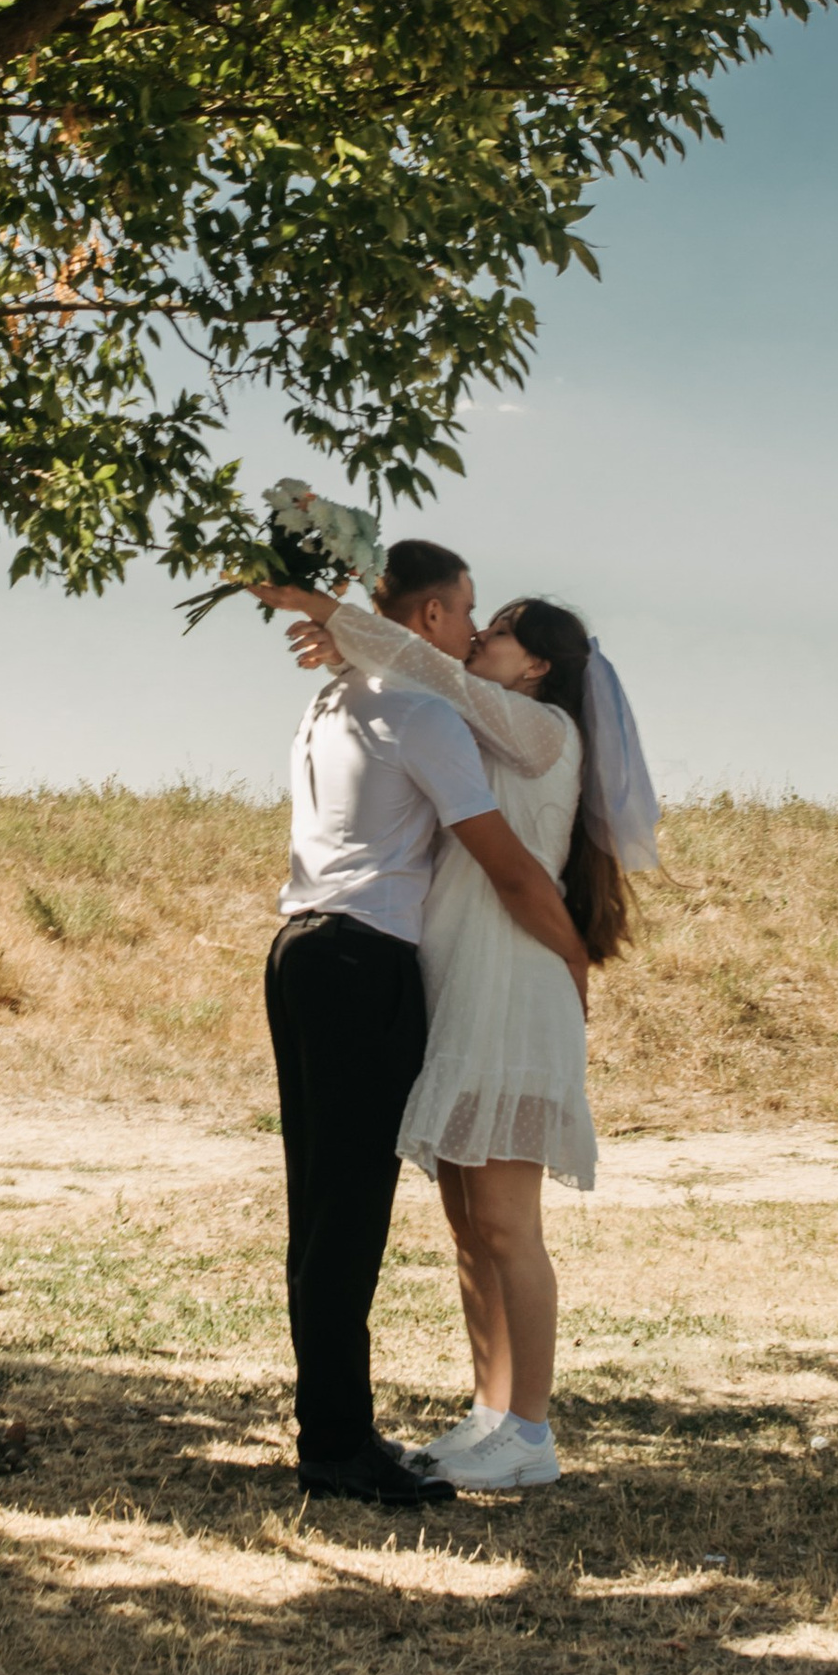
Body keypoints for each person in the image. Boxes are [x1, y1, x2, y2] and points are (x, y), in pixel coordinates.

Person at [262, 582, 657, 1492]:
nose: (482, 638)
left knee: (509, 1225)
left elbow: (427, 667)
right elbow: (415, 691)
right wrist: (350, 652)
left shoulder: (542, 730)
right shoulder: (483, 727)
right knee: (468, 1225)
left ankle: (531, 1430)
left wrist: (321, 605)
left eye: (503, 632)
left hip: (511, 984)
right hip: (462, 984)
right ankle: (490, 1412)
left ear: (540, 666)